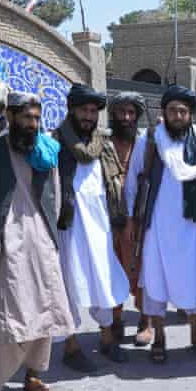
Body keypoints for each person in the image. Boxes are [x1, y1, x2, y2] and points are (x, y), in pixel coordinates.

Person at [0, 91, 75, 391]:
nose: (33, 124)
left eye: (37, 119)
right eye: (27, 118)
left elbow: (54, 192)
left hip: (41, 239)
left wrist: (50, 234)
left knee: (44, 308)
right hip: (6, 242)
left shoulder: (46, 150)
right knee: (4, 314)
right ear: (11, 117)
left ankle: (33, 376)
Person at [123, 85, 196, 364]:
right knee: (155, 282)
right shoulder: (150, 140)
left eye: (183, 111)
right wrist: (130, 218)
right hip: (157, 228)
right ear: (164, 112)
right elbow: (132, 180)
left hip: (192, 226)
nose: (177, 115)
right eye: (173, 110)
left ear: (190, 115)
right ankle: (159, 337)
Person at [55, 84, 131, 372]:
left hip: (100, 225)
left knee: (103, 278)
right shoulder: (56, 141)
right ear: (72, 110)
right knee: (68, 282)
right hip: (68, 225)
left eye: (92, 111)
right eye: (83, 110)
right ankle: (71, 346)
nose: (88, 116)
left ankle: (108, 338)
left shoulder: (104, 145)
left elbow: (113, 183)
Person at [107, 91, 151, 346]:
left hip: (141, 215)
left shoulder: (146, 142)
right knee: (114, 270)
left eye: (131, 112)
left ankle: (145, 321)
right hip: (110, 217)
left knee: (141, 269)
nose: (125, 117)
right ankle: (115, 319)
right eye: (121, 112)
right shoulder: (102, 142)